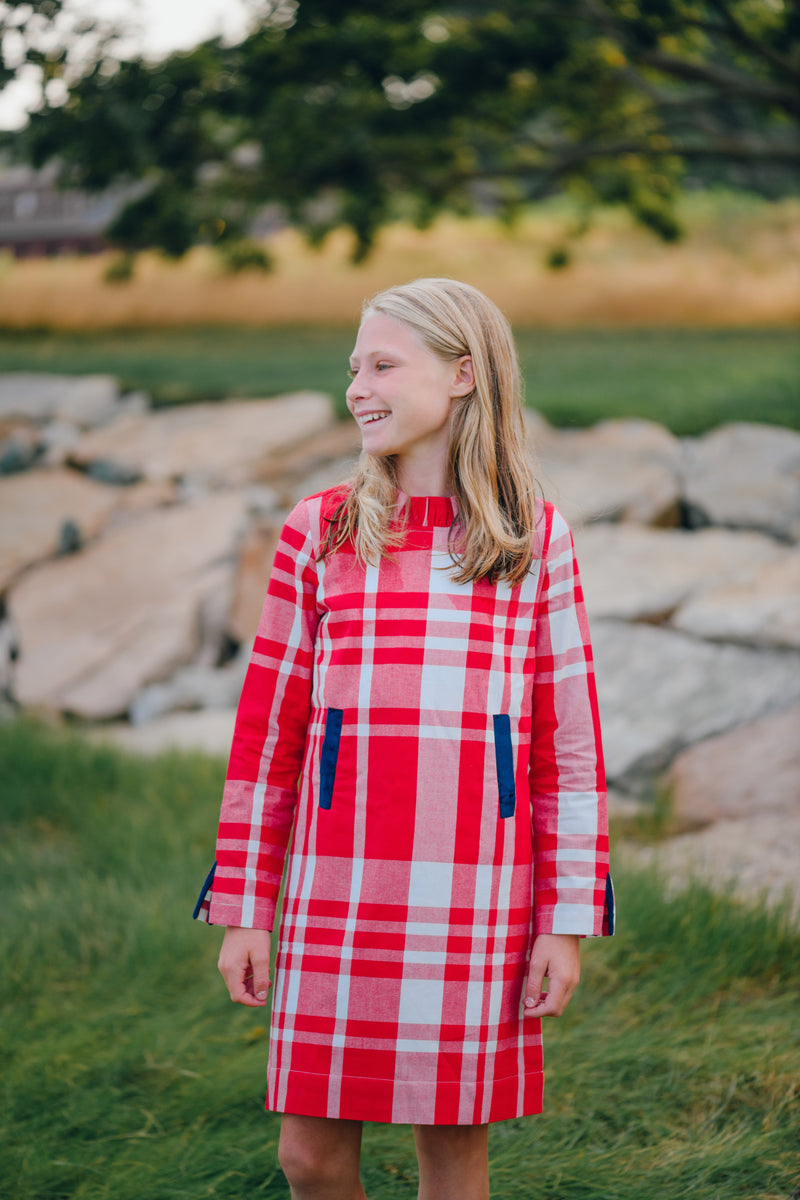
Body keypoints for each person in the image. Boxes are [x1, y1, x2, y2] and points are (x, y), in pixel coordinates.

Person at [194, 277, 613, 1200]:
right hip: (333, 884)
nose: (358, 387)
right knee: (307, 1156)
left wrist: (568, 920)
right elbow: (270, 735)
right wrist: (242, 908)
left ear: (463, 374)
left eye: (384, 364)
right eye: (353, 367)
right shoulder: (321, 530)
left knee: (453, 1156)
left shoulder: (533, 541)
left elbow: (568, 753)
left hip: (476, 892)